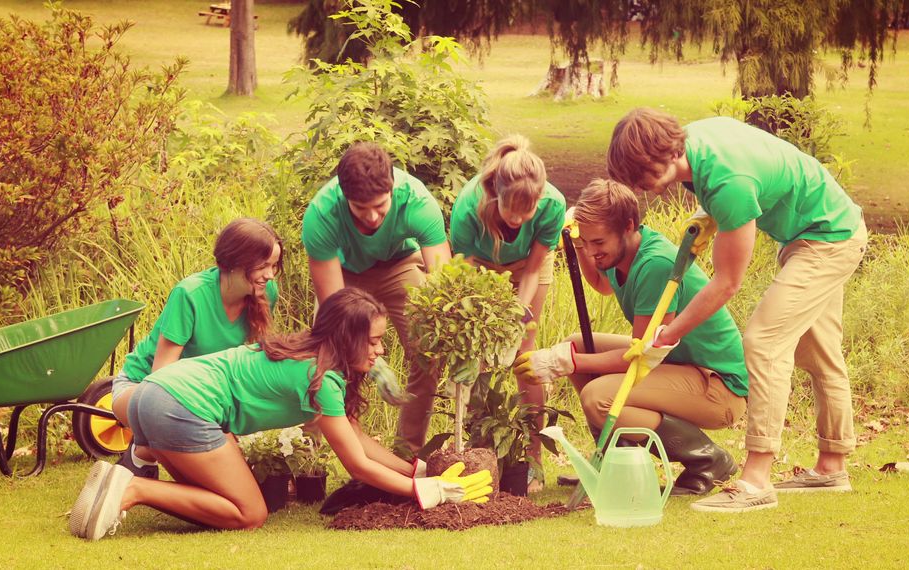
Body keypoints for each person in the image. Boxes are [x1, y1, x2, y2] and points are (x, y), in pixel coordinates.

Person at [68, 288, 493, 541]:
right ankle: (130, 491)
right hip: (181, 406)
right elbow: (355, 462)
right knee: (249, 513)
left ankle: (124, 481)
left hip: (155, 393)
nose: (380, 351)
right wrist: (424, 493)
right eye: (376, 341)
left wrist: (415, 470)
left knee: (219, 507)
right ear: (348, 338)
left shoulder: (309, 353)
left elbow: (354, 437)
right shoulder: (321, 376)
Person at [607, 109, 868, 512]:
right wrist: (706, 215)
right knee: (818, 353)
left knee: (763, 342)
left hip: (828, 239)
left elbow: (727, 283)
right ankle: (832, 465)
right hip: (813, 232)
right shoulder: (696, 141)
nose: (645, 189)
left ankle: (756, 480)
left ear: (664, 155)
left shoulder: (728, 182)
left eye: (644, 177)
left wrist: (673, 331)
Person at [514, 179, 748, 495]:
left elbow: (640, 356)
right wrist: (581, 244)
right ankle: (616, 464)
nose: (594, 251)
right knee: (579, 344)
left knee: (598, 396)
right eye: (589, 241)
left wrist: (562, 363)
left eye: (599, 242)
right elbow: (602, 283)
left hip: (718, 387)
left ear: (627, 226)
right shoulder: (621, 251)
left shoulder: (654, 264)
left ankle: (709, 460)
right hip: (677, 363)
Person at [301, 142, 451, 454]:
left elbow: (444, 288)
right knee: (322, 355)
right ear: (345, 197)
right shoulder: (322, 213)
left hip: (399, 265)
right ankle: (307, 455)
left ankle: (406, 453)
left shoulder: (418, 202)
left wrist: (454, 342)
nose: (371, 217)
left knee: (429, 348)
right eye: (360, 208)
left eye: (381, 206)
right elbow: (335, 309)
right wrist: (374, 363)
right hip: (346, 275)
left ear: (393, 188)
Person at [110, 218, 282, 479]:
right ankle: (142, 450)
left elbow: (249, 363)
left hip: (201, 395)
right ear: (234, 263)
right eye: (262, 266)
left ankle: (153, 447)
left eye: (274, 265)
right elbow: (160, 377)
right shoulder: (191, 294)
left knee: (226, 474)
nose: (269, 275)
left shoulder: (266, 292)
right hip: (142, 390)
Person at [449, 135, 565, 491]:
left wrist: (518, 314)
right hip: (480, 267)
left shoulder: (553, 205)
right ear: (495, 193)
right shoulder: (469, 207)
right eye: (509, 209)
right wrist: (484, 322)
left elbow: (532, 270)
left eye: (525, 211)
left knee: (524, 353)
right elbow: (465, 274)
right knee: (476, 354)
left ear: (539, 198)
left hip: (528, 265)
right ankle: (478, 453)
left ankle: (533, 459)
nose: (517, 219)